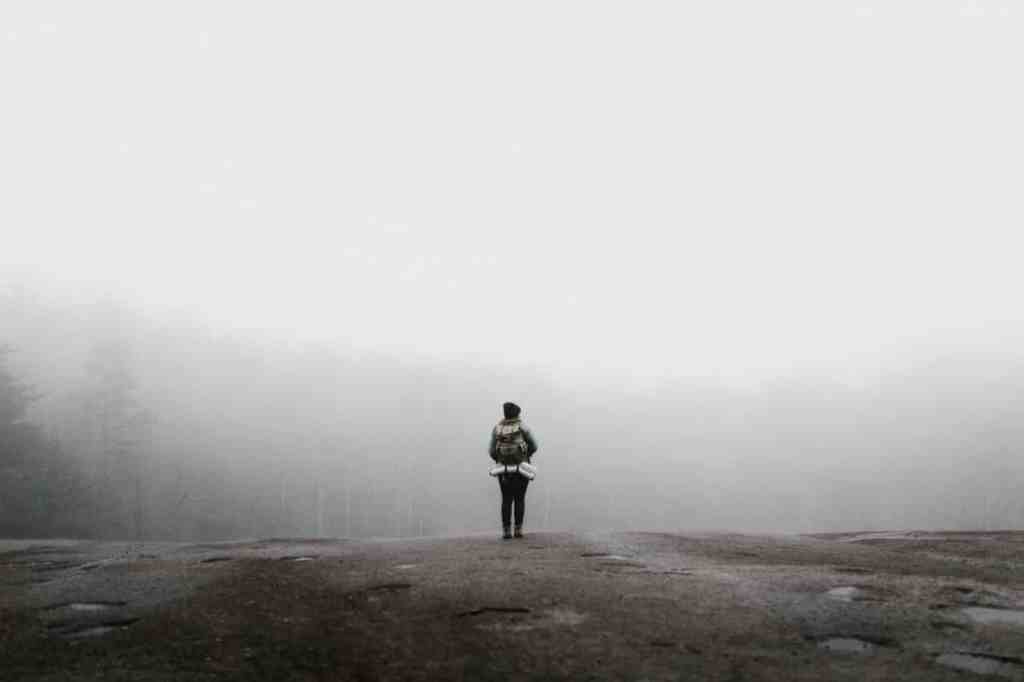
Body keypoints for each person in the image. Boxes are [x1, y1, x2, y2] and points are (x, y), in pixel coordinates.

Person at [488, 402, 538, 539]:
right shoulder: (522, 427)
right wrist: (526, 455)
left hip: (503, 470)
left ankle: (506, 531)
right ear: (517, 413)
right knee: (519, 498)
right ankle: (518, 529)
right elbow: (534, 445)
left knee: (506, 499)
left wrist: (500, 459)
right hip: (522, 468)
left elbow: (492, 451)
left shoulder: (497, 428)